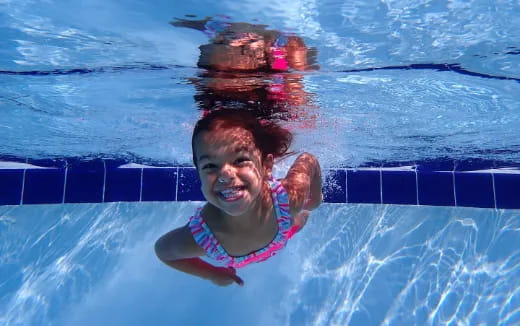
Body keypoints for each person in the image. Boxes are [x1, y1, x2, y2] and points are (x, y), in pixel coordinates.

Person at [155, 109, 322, 286]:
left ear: (266, 166)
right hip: (277, 228)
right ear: (198, 174)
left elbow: (308, 159)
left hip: (284, 227)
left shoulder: (288, 199)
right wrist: (211, 273)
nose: (225, 174)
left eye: (240, 160)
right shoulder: (204, 239)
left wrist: (316, 198)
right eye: (210, 165)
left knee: (301, 217)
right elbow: (163, 252)